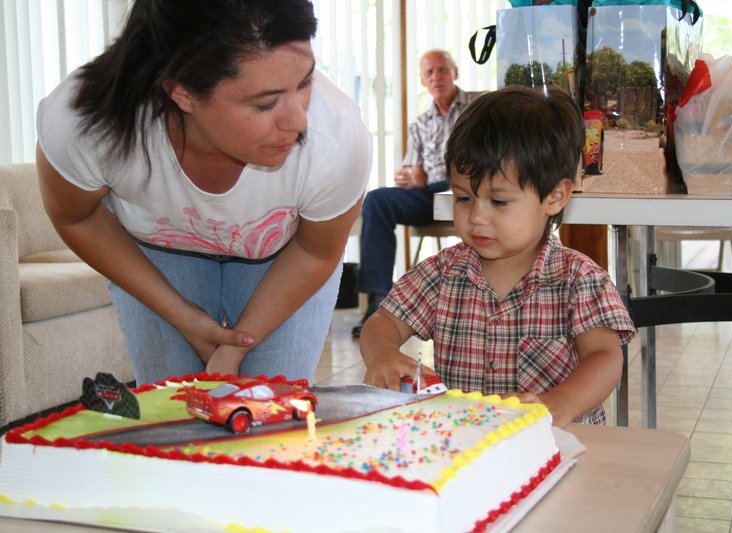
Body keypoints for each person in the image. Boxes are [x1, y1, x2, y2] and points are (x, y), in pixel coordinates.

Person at [35, 0, 371, 385]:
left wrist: (236, 346)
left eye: (306, 81)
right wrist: (183, 317)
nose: (298, 121)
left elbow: (315, 251)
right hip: (159, 253)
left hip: (287, 255)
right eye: (265, 103)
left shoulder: (336, 138)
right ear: (182, 92)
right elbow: (76, 216)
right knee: (174, 405)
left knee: (272, 406)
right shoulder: (85, 120)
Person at [360, 86, 636, 427]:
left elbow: (605, 357)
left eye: (499, 201)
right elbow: (383, 322)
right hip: (471, 443)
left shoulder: (580, 279)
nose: (477, 217)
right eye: (463, 198)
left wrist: (559, 403)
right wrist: (383, 354)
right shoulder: (442, 273)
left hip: (561, 444)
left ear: (555, 196)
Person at [352, 49, 481, 337]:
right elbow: (414, 170)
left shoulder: (478, 106)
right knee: (377, 200)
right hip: (432, 192)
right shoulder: (420, 124)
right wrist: (410, 176)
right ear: (423, 80)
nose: (436, 77)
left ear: (455, 73)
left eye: (442, 69)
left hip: (472, 188)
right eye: (429, 72)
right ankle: (378, 301)